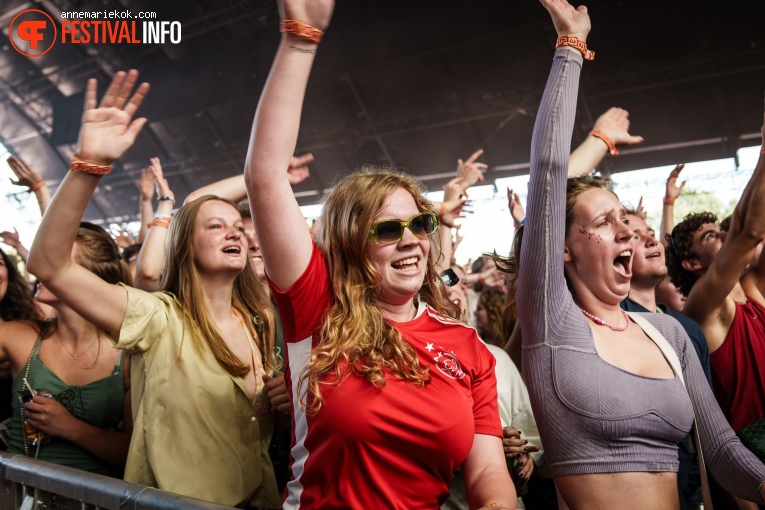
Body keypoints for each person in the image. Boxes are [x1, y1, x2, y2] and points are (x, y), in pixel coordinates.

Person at [243, 0, 515, 508]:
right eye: (388, 229)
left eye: (420, 224)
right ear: (350, 243)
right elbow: (264, 178)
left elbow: (486, 477)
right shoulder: (316, 305)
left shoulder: (467, 345)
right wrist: (300, 41)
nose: (411, 239)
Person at [517, 1, 765, 509]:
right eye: (604, 224)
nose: (627, 235)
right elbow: (546, 170)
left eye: (625, 222)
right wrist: (570, 48)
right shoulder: (552, 319)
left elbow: (720, 449)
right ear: (562, 248)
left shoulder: (670, 333)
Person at [27, 71, 281, 508]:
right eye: (215, 226)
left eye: (237, 226)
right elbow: (49, 263)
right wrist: (89, 166)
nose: (233, 233)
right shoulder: (159, 318)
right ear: (185, 245)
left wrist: (282, 402)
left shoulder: (260, 321)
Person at [0, 225, 131, 476]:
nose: (39, 266)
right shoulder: (21, 336)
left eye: (56, 259)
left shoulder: (127, 353)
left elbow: (131, 452)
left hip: (95, 497)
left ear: (89, 276)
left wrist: (71, 427)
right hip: (19, 493)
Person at [619, 211, 712, 510]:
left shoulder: (689, 330)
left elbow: (707, 424)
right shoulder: (613, 325)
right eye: (634, 236)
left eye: (649, 231)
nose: (650, 238)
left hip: (689, 490)